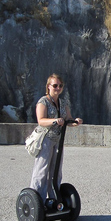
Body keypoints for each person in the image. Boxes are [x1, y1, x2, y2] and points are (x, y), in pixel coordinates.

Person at [30, 74, 83, 207]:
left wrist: (75, 122)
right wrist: (54, 120)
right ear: (48, 86)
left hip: (58, 140)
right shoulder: (43, 102)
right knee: (42, 170)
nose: (57, 88)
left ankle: (55, 200)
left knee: (56, 171)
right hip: (45, 139)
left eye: (60, 86)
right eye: (55, 85)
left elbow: (68, 120)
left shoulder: (63, 102)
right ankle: (37, 202)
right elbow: (41, 121)